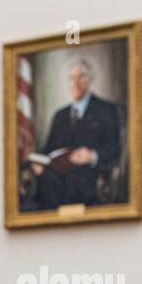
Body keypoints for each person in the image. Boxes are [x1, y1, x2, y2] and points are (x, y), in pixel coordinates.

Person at [31, 59, 123, 208]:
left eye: (81, 77)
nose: (76, 83)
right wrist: (39, 162)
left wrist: (92, 156)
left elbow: (114, 149)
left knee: (72, 182)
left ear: (90, 80)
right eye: (72, 78)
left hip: (88, 175)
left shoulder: (106, 110)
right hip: (55, 175)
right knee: (44, 181)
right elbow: (48, 148)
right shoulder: (60, 115)